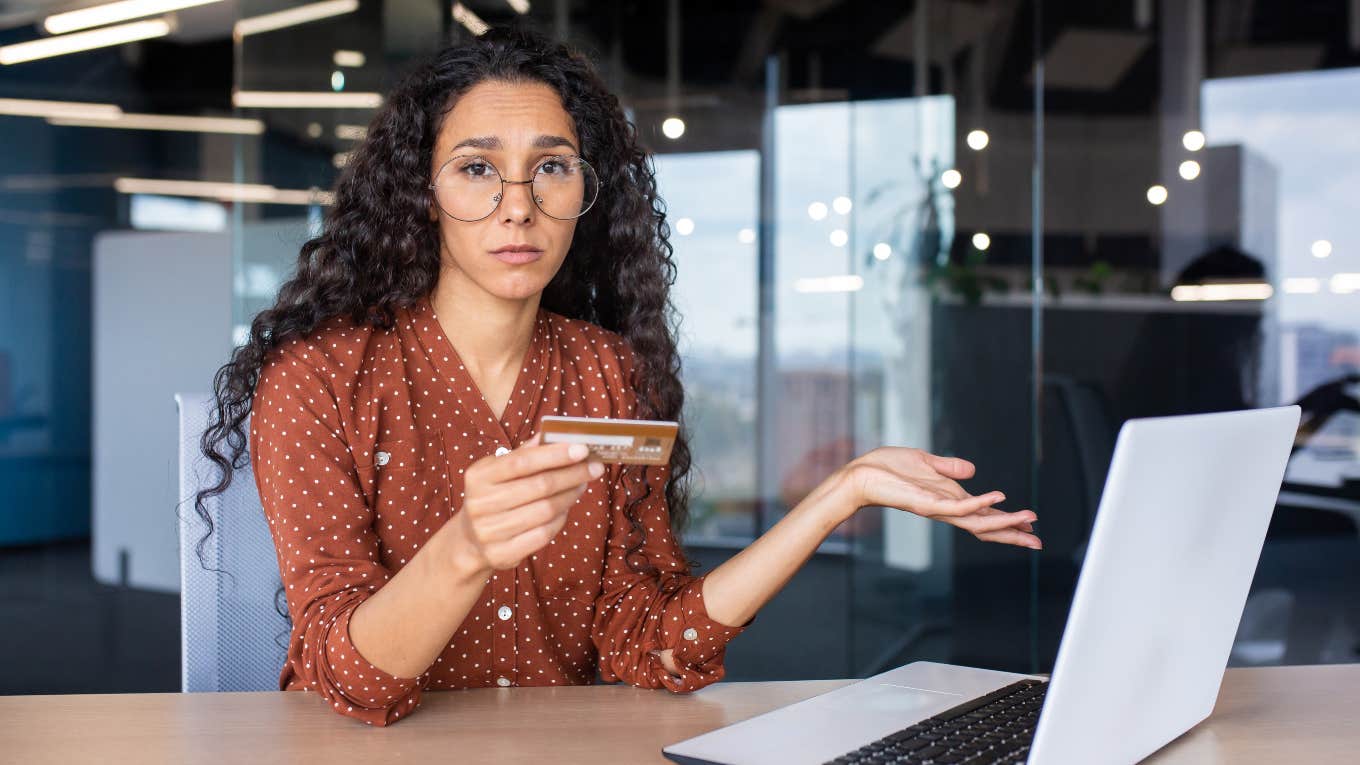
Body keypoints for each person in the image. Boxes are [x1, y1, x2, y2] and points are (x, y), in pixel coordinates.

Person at [196, 27, 1040, 726]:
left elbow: (655, 644)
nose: (517, 204)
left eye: (552, 166)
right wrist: (466, 547)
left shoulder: (606, 372)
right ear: (423, 192)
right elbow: (349, 675)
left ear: (584, 193)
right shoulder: (319, 374)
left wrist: (835, 497)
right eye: (478, 168)